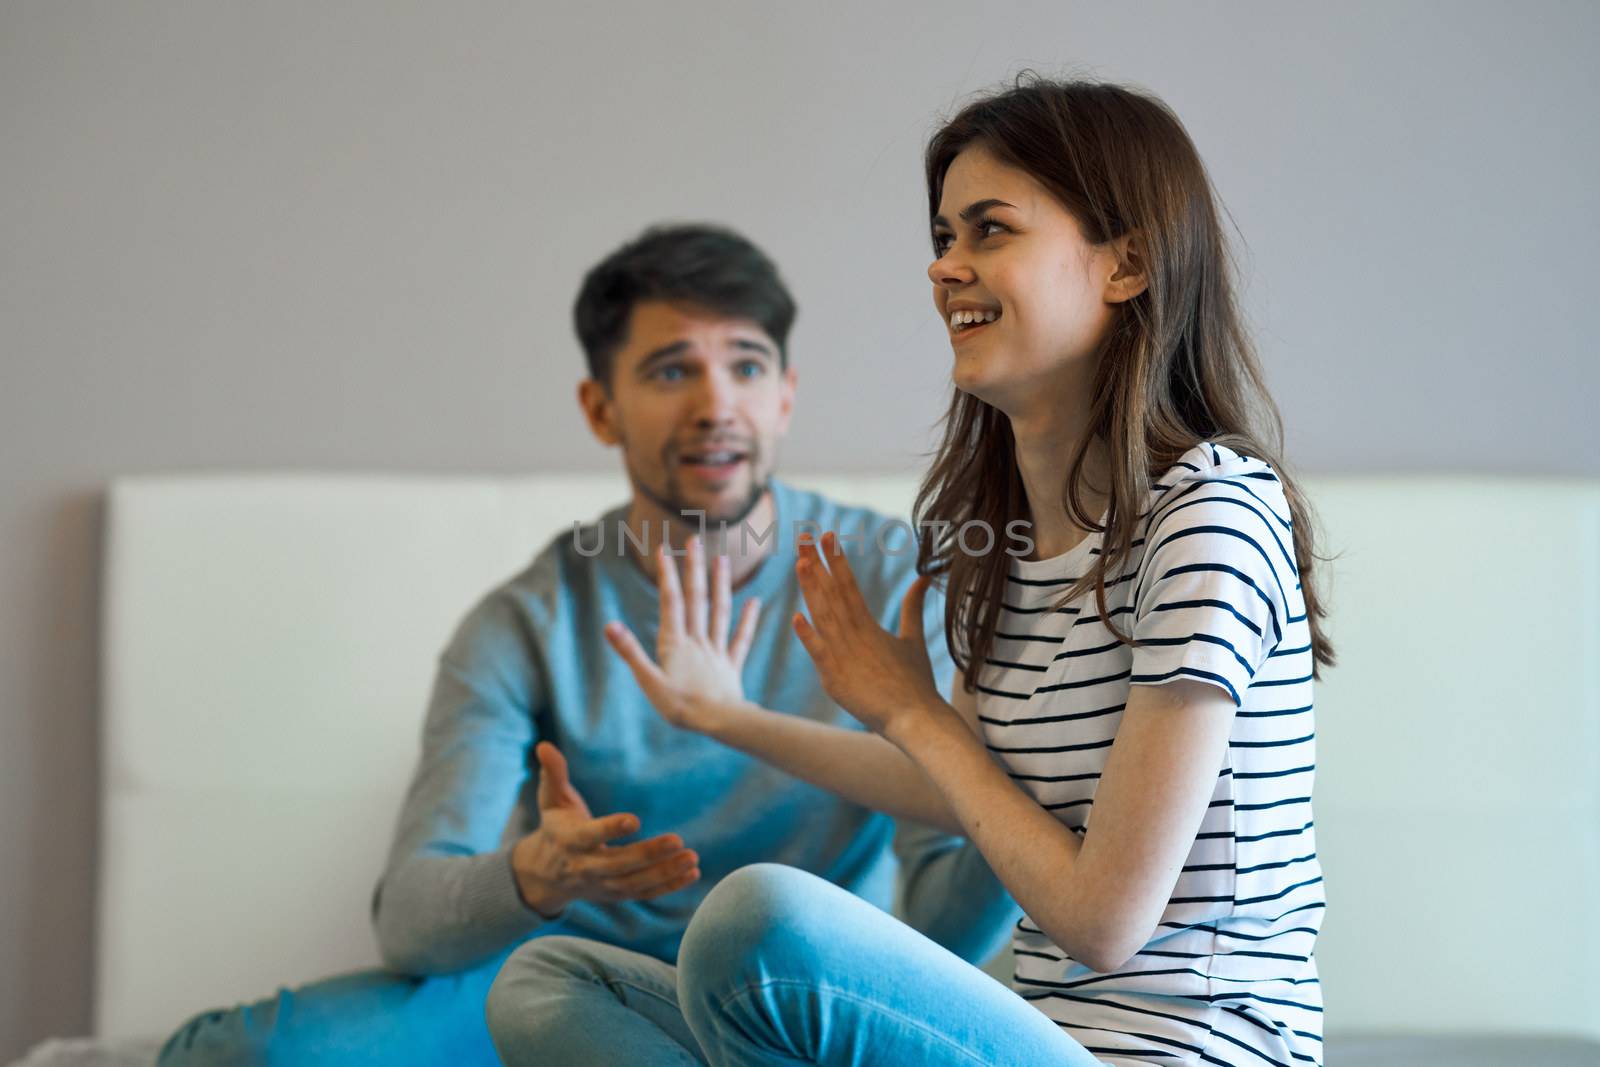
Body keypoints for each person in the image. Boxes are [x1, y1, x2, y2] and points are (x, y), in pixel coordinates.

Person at [521, 77, 1335, 1067]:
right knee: (554, 983)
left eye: (989, 230)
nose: (943, 267)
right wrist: (725, 716)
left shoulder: (1207, 511)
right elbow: (974, 790)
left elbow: (1105, 919)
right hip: (1046, 1035)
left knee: (760, 923)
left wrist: (912, 711)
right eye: (944, 236)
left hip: (1186, 1055)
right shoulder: (1007, 541)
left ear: (1126, 262)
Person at [156, 223, 1019, 1066]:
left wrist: (1010, 785)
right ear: (600, 408)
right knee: (222, 1052)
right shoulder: (525, 623)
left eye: (745, 367)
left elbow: (942, 926)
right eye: (672, 369)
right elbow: (410, 917)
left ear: (784, 394)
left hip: (790, 988)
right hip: (566, 983)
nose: (717, 403)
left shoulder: (896, 583)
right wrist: (533, 876)